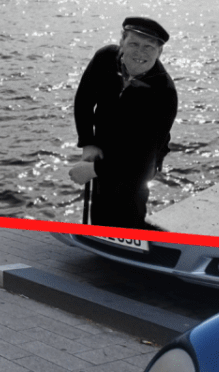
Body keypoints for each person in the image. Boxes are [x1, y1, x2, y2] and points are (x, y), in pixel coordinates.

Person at [70, 17, 178, 230]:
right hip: (103, 149)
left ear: (159, 52)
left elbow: (141, 157)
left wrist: (94, 169)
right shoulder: (104, 58)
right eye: (134, 44)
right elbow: (84, 99)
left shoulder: (164, 94)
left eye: (149, 47)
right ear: (122, 43)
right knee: (100, 216)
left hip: (139, 163)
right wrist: (88, 141)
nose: (141, 53)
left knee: (128, 216)